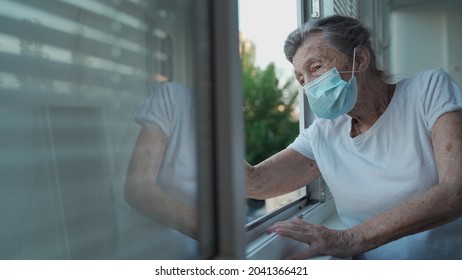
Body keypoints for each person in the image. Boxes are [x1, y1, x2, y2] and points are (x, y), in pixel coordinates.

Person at [246, 15, 462, 259]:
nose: (309, 86)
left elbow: (455, 191)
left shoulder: (428, 89)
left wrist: (349, 239)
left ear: (360, 59)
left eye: (316, 68)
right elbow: (255, 182)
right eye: (302, 79)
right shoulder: (322, 132)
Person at [115, 81, 198, 259]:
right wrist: (215, 230)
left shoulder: (226, 127)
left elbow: (253, 180)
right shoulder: (172, 97)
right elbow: (138, 189)